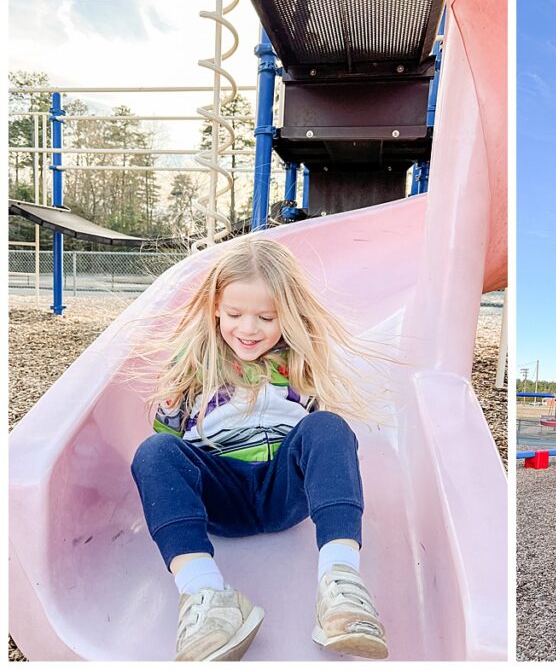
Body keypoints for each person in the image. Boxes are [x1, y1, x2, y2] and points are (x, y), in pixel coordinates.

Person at [129, 238, 387, 661]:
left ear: (289, 313)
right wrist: (171, 405)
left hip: (283, 492)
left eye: (267, 317)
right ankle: (206, 595)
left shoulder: (301, 358)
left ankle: (341, 585)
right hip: (220, 494)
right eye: (234, 314)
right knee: (154, 451)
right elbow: (169, 446)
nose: (248, 329)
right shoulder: (194, 358)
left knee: (328, 426)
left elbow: (319, 449)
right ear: (215, 307)